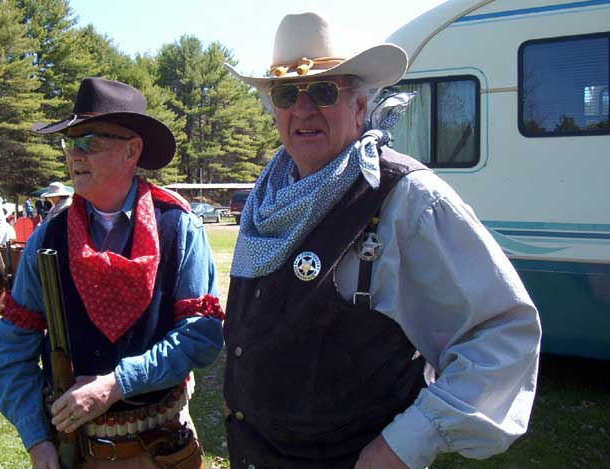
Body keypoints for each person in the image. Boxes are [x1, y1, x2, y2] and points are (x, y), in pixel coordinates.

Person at [222, 12, 542, 469]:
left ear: (360, 105)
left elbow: (503, 334)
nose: (304, 108)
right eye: (287, 93)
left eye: (326, 90)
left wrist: (403, 445)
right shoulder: (269, 195)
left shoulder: (407, 196)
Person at [0, 77, 224, 468]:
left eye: (89, 143)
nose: (74, 156)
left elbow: (200, 337)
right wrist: (37, 440)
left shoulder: (179, 228)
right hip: (76, 453)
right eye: (70, 143)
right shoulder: (48, 236)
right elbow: (14, 348)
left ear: (133, 150)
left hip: (163, 449)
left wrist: (117, 384)